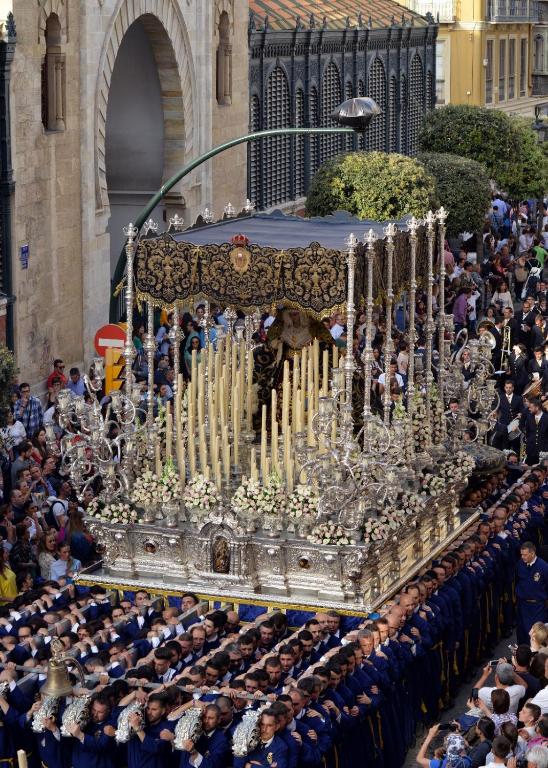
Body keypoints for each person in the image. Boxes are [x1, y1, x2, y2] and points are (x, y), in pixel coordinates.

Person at [516, 542, 548, 644]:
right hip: (523, 605)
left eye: (525, 555)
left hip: (537, 606)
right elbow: (517, 581)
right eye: (521, 554)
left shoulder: (544, 567)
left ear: (533, 553)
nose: (522, 557)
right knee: (523, 634)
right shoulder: (520, 564)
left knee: (536, 635)